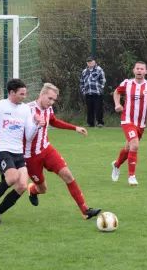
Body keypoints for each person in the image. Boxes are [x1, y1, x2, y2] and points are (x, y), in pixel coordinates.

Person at [25, 83, 102, 220]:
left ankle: (85, 210)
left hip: (47, 149)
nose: (51, 102)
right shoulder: (27, 110)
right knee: (42, 188)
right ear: (41, 95)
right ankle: (32, 190)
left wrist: (75, 128)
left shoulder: (48, 109)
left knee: (67, 175)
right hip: (30, 157)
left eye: (54, 100)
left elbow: (53, 121)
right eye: (50, 99)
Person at [0, 78, 43, 225]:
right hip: (2, 149)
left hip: (18, 152)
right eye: (21, 94)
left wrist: (37, 125)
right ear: (12, 92)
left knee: (22, 186)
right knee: (12, 177)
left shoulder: (25, 109)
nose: (24, 97)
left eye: (25, 94)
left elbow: (29, 136)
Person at [111, 61, 147, 185]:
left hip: (140, 123)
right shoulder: (127, 83)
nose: (139, 71)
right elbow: (116, 92)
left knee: (128, 148)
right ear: (134, 70)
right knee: (134, 145)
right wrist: (117, 104)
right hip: (127, 120)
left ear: (145, 71)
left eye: (142, 69)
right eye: (137, 68)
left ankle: (116, 165)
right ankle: (132, 177)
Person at [80, 56, 105, 127]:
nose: (89, 63)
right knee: (89, 109)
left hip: (97, 93)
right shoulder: (84, 71)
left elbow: (103, 80)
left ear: (94, 61)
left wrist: (100, 88)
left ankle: (100, 123)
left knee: (98, 108)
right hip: (88, 93)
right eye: (88, 62)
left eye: (91, 61)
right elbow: (82, 82)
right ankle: (90, 123)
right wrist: (83, 90)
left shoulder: (99, 69)